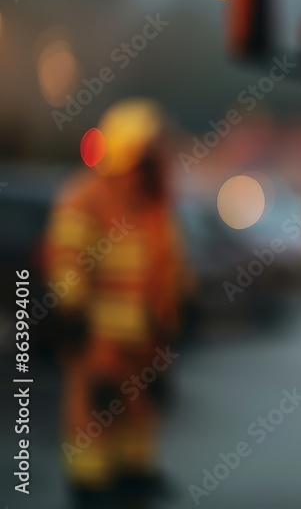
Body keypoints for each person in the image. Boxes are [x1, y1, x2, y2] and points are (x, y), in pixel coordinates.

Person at [44, 98, 187, 509]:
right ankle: (91, 487)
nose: (159, 161)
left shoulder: (151, 203)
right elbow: (67, 260)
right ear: (129, 151)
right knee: (91, 415)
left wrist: (176, 313)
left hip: (143, 341)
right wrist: (73, 316)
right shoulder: (86, 196)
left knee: (137, 413)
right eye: (150, 152)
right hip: (98, 339)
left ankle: (133, 476)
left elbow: (167, 267)